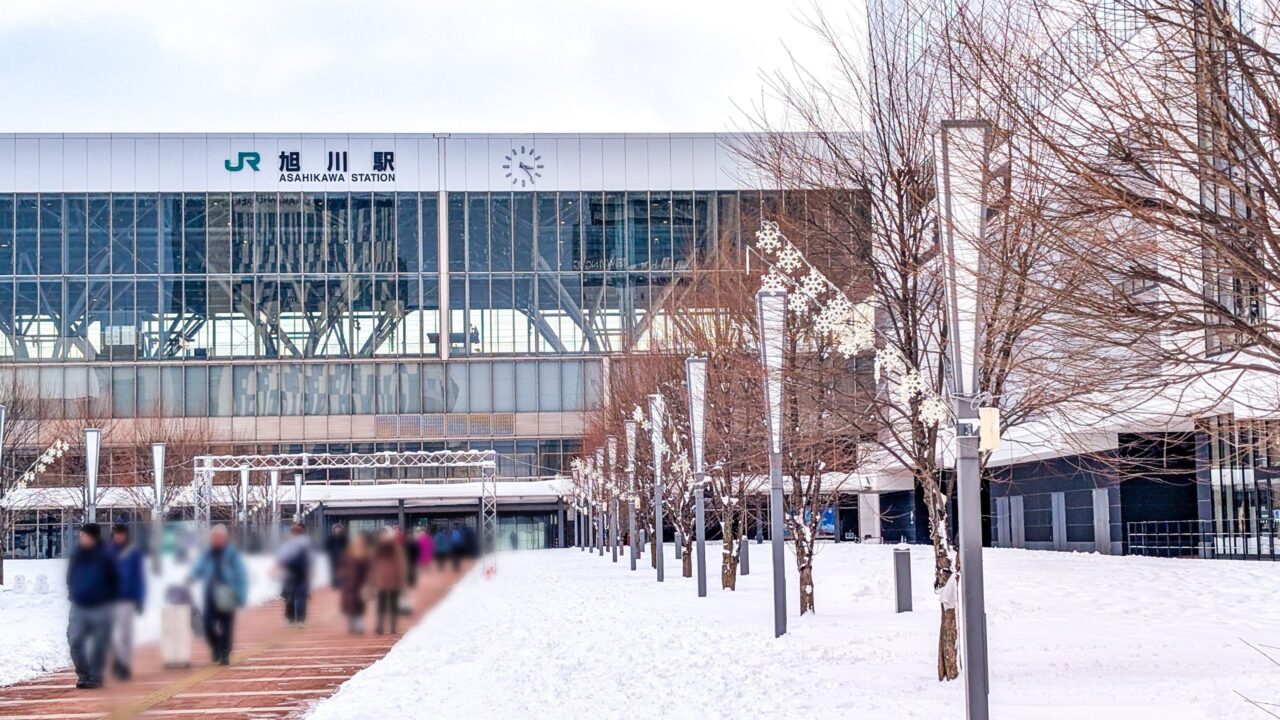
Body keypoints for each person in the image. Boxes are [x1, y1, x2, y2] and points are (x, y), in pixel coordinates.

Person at [66, 523, 118, 689]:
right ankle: (83, 674)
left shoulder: (106, 555)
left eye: (84, 535)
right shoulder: (77, 554)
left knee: (99, 642)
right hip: (79, 604)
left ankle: (96, 676)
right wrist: (73, 592)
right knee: (75, 640)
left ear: (93, 537)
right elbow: (70, 576)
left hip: (100, 605)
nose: (81, 538)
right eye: (81, 535)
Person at [189, 524, 248, 666]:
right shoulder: (207, 553)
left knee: (227, 625)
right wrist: (191, 577)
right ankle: (215, 646)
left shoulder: (232, 554)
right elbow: (199, 567)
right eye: (213, 537)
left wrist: (241, 595)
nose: (215, 540)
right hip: (210, 593)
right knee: (208, 624)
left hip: (227, 592)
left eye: (218, 537)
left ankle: (224, 653)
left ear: (224, 538)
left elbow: (241, 576)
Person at [107, 523, 145, 681]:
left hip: (126, 598)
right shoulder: (106, 553)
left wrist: (139, 598)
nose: (119, 536)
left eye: (122, 533)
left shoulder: (134, 553)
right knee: (109, 634)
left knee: (125, 633)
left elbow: (139, 578)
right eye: (117, 533)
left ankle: (124, 664)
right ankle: (117, 658)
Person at [370, 528, 407, 635]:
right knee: (381, 604)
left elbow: (401, 565)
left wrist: (401, 580)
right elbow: (373, 565)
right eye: (382, 535)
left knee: (393, 604)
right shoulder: (377, 549)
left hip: (394, 580)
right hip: (381, 580)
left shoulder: (395, 548)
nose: (384, 537)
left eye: (385, 535)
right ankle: (380, 626)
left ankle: (393, 627)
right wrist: (373, 579)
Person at [276, 523, 311, 627]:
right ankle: (296, 619)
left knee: (294, 597)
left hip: (295, 575)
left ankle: (294, 619)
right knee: (295, 597)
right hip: (296, 574)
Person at [338, 532, 372, 634]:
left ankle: (359, 625)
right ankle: (351, 624)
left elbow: (369, 569)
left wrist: (368, 581)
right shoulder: (347, 554)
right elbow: (342, 567)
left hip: (360, 583)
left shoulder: (366, 555)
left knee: (359, 604)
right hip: (348, 583)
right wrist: (343, 576)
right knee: (349, 605)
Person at [324, 524, 346, 589]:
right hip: (332, 557)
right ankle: (334, 584)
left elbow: (346, 547)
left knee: (341, 571)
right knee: (333, 571)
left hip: (341, 557)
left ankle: (340, 583)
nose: (338, 530)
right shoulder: (330, 538)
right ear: (334, 530)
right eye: (337, 529)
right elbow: (326, 547)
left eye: (339, 529)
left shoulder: (343, 538)